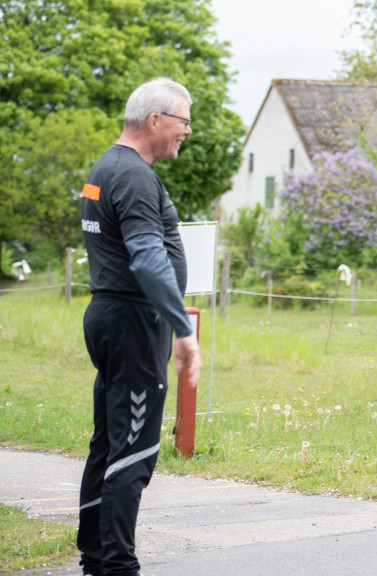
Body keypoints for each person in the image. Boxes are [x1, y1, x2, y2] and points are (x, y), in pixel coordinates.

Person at [78, 77, 201, 576]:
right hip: (131, 321)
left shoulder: (105, 168)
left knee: (109, 443)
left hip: (111, 316)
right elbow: (149, 261)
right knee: (135, 451)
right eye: (183, 121)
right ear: (155, 120)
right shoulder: (132, 175)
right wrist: (183, 330)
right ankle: (116, 566)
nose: (187, 132)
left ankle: (95, 556)